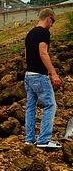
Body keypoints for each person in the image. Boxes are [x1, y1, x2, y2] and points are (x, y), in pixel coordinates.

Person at [24, 8, 62, 148]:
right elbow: (43, 53)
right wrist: (53, 73)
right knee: (50, 105)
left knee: (30, 107)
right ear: (48, 18)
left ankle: (29, 139)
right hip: (40, 76)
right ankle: (44, 140)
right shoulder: (44, 33)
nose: (52, 24)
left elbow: (27, 56)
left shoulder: (30, 33)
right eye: (53, 21)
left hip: (28, 75)